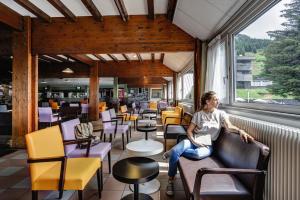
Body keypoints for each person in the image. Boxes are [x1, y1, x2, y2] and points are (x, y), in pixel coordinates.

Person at [163, 91, 254, 196]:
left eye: (217, 99)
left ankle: (175, 151)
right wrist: (194, 141)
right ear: (208, 101)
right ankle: (170, 181)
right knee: (177, 151)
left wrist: (240, 131)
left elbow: (229, 126)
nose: (218, 101)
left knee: (196, 154)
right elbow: (189, 131)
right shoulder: (198, 114)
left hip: (208, 144)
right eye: (215, 99)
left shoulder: (221, 114)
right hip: (194, 140)